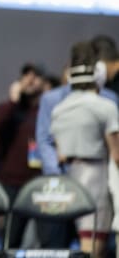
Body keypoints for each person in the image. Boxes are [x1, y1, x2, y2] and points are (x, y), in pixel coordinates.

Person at [49, 41, 119, 257]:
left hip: (71, 179)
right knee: (94, 248)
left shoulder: (58, 110)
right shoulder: (106, 107)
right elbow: (117, 155)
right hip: (98, 179)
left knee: (85, 244)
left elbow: (60, 153)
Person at [0, 62, 48, 247]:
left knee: (46, 243)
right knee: (10, 241)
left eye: (35, 76)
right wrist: (13, 100)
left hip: (41, 183)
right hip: (12, 185)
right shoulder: (10, 108)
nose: (30, 80)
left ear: (44, 82)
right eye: (26, 76)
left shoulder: (46, 111)